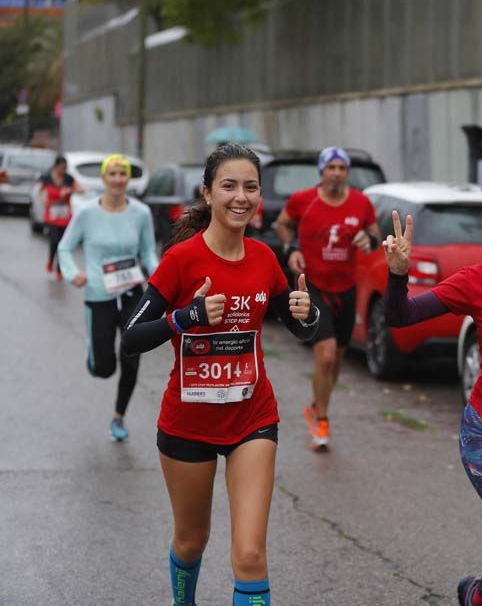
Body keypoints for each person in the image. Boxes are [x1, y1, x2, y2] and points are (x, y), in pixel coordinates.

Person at [121, 143, 320, 606]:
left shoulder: (264, 258)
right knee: (191, 541)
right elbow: (130, 338)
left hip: (252, 419)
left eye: (251, 187)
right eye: (229, 186)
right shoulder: (182, 260)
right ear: (208, 193)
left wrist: (306, 313)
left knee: (250, 555)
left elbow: (300, 327)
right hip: (188, 424)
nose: (241, 197)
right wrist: (185, 318)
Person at [274, 146, 379, 451]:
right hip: (314, 286)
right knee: (326, 356)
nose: (336, 173)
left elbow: (374, 237)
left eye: (341, 168)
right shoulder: (302, 200)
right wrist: (291, 249)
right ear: (321, 171)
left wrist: (369, 240)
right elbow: (281, 224)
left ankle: (317, 405)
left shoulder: (361, 202)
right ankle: (321, 419)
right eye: (331, 167)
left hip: (346, 288)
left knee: (336, 362)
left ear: (347, 173)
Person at [57, 154, 159, 441]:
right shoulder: (87, 213)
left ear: (127, 178)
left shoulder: (141, 213)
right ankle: (96, 356)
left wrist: (160, 276)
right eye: (112, 173)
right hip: (99, 294)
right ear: (104, 178)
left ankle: (118, 416)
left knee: (132, 357)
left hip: (132, 294)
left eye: (122, 173)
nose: (117, 179)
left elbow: (148, 252)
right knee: (104, 368)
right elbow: (64, 247)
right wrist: (72, 274)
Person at [40, 155, 83, 280]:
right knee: (54, 241)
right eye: (61, 167)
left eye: (65, 168)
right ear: (56, 166)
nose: (63, 170)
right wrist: (43, 200)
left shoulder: (69, 179)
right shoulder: (47, 178)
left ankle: (59, 269)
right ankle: (50, 261)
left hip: (65, 217)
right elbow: (40, 191)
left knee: (62, 244)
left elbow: (81, 189)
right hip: (52, 216)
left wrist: (71, 191)